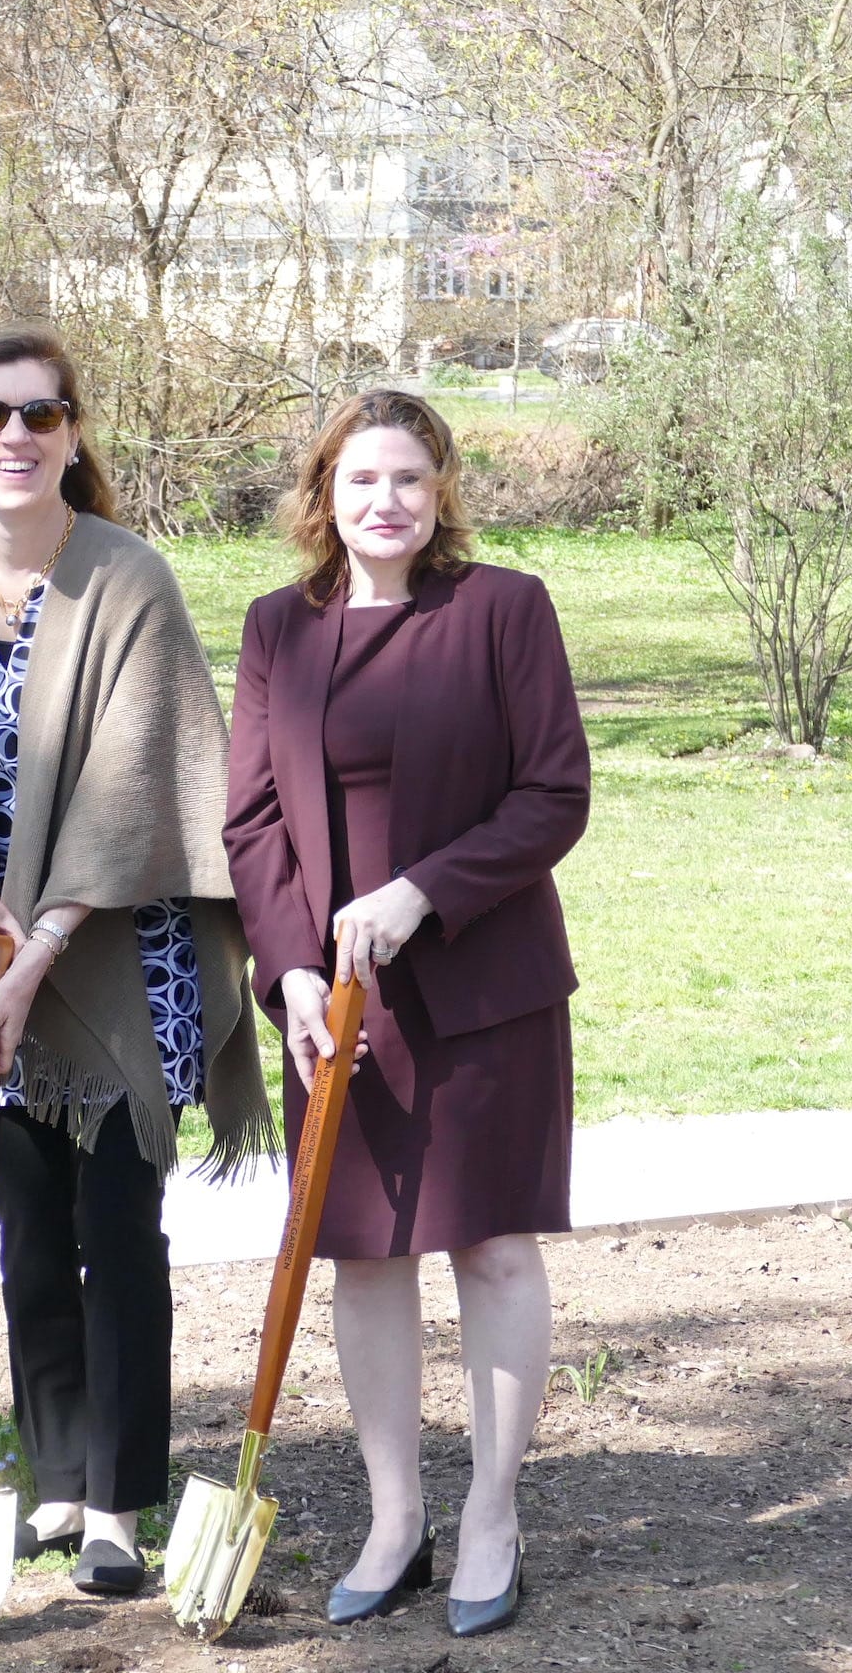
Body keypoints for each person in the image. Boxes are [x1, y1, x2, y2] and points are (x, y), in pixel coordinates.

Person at [0, 327, 272, 1599]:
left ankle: (115, 1501)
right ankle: (48, 1479)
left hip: (115, 955)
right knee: (24, 1221)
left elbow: (132, 788)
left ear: (76, 434)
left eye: (43, 416)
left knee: (115, 1227)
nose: (17, 438)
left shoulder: (125, 580)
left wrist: (42, 940)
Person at [223, 387, 588, 1638]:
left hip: (484, 988)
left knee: (490, 1246)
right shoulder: (278, 630)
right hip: (339, 1010)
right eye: (360, 480)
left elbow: (554, 796)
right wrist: (287, 980)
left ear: (441, 496)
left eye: (409, 482)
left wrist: (421, 896)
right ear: (324, 494)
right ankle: (396, 1516)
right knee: (365, 1258)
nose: (384, 502)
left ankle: (492, 1513)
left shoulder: (502, 611)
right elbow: (252, 824)